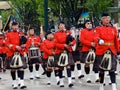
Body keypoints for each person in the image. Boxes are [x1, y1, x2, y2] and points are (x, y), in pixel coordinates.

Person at [93, 13, 118, 90]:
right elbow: (95, 37)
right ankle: (101, 85)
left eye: (108, 18)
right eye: (105, 18)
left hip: (112, 50)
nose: (107, 19)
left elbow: (116, 41)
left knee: (112, 69)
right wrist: (99, 40)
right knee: (101, 70)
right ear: (102, 19)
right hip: (101, 51)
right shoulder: (98, 28)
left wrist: (118, 51)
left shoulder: (113, 29)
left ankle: (114, 86)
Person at [54, 22, 76, 87]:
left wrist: (71, 43)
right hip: (59, 52)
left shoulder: (68, 33)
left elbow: (74, 40)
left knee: (68, 66)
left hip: (67, 51)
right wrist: (63, 45)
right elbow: (55, 44)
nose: (62, 26)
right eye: (60, 25)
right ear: (58, 27)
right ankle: (61, 82)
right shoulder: (56, 34)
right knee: (60, 67)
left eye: (63, 25)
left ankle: (70, 82)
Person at [6, 22, 27, 89]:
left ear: (18, 26)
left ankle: (21, 83)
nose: (15, 27)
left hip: (20, 53)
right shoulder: (8, 34)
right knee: (13, 69)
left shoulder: (21, 34)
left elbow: (25, 42)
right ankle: (14, 83)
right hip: (12, 53)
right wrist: (15, 47)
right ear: (12, 27)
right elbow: (7, 43)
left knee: (21, 68)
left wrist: (24, 45)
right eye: (14, 26)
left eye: (16, 26)